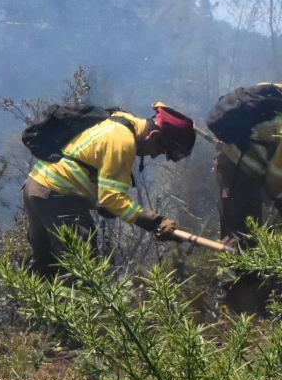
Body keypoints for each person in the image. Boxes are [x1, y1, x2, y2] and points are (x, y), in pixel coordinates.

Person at [23, 102, 196, 278]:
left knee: (45, 264)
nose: (153, 155)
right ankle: (78, 296)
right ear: (153, 135)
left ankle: (28, 294)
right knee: (83, 270)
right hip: (58, 195)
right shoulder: (123, 142)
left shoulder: (122, 120)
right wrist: (156, 222)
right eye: (160, 150)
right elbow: (111, 199)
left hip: (37, 186)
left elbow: (97, 168)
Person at [209, 84, 282, 313]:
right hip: (238, 166)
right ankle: (236, 305)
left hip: (249, 158)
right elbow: (274, 181)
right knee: (241, 234)